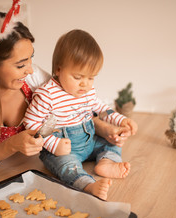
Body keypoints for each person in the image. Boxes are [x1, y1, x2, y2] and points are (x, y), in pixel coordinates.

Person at [0, 3, 131, 185]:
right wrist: (12, 144)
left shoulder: (34, 78)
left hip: (22, 168)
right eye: (21, 64)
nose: (30, 70)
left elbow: (69, 106)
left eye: (31, 58)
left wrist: (103, 129)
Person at [23, 29, 138, 200]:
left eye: (91, 77)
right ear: (59, 69)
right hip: (63, 150)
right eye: (78, 77)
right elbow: (31, 125)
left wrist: (120, 119)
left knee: (112, 142)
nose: (85, 84)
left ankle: (107, 162)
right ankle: (87, 184)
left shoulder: (87, 91)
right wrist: (54, 145)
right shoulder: (47, 95)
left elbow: (100, 108)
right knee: (67, 167)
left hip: (89, 143)